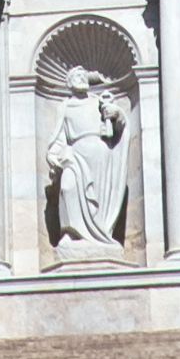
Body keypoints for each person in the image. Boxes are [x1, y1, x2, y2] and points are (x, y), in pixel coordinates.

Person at [47, 62, 132, 248]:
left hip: (101, 154)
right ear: (69, 83)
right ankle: (72, 234)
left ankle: (101, 233)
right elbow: (60, 137)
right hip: (75, 155)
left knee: (99, 199)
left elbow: (119, 128)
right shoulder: (65, 107)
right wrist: (55, 155)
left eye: (84, 76)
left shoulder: (99, 102)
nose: (82, 79)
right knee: (67, 187)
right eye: (77, 76)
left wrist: (117, 114)